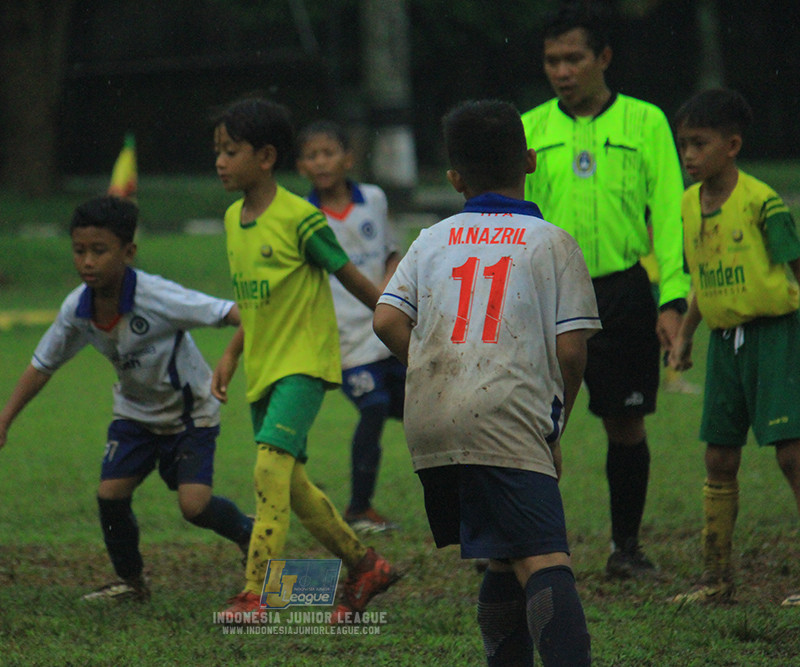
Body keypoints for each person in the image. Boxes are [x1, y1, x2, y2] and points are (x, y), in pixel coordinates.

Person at [374, 99, 597, 666]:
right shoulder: (552, 243)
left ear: (453, 178)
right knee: (546, 561)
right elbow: (571, 352)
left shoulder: (430, 239)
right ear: (529, 160)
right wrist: (556, 427)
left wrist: (430, 364)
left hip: (430, 421)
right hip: (507, 415)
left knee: (503, 554)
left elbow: (387, 320)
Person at [0, 196, 254, 601]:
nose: (87, 261)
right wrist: (2, 423)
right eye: (79, 250)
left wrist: (231, 356)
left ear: (129, 252)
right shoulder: (77, 309)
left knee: (194, 507)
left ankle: (250, 531)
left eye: (99, 251)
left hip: (190, 413)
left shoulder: (158, 295)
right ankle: (132, 582)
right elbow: (42, 365)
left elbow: (236, 312)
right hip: (135, 415)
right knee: (110, 497)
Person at [210, 97, 399, 624]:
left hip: (306, 364)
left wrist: (402, 325)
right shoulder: (231, 220)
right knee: (289, 482)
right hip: (262, 368)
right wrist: (229, 355)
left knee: (268, 467)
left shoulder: (301, 218)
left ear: (266, 156)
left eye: (231, 151)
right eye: (217, 152)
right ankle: (366, 565)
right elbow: (254, 300)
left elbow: (354, 280)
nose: (221, 162)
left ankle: (256, 594)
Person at [521, 2, 691, 578]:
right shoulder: (531, 128)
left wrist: (672, 298)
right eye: (552, 61)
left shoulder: (646, 122)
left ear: (603, 58)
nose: (562, 71)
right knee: (529, 422)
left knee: (626, 422)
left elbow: (669, 214)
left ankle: (626, 548)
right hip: (546, 293)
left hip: (621, 292)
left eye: (574, 58)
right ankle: (520, 544)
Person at [667, 89, 800, 607]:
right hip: (725, 344)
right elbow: (703, 276)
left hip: (775, 337)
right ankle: (716, 578)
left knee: (792, 456)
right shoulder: (686, 204)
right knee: (719, 458)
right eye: (683, 145)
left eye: (699, 144)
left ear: (733, 145)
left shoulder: (763, 202)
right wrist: (684, 336)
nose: (689, 155)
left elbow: (795, 267)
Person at [296, 120, 404, 534]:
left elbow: (393, 251)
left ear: (347, 158)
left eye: (328, 153)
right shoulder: (303, 216)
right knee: (373, 406)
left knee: (423, 411)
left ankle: (459, 497)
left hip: (389, 330)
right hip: (345, 342)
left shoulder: (373, 199)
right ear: (301, 166)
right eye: (311, 155)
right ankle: (359, 509)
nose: (321, 162)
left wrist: (388, 290)